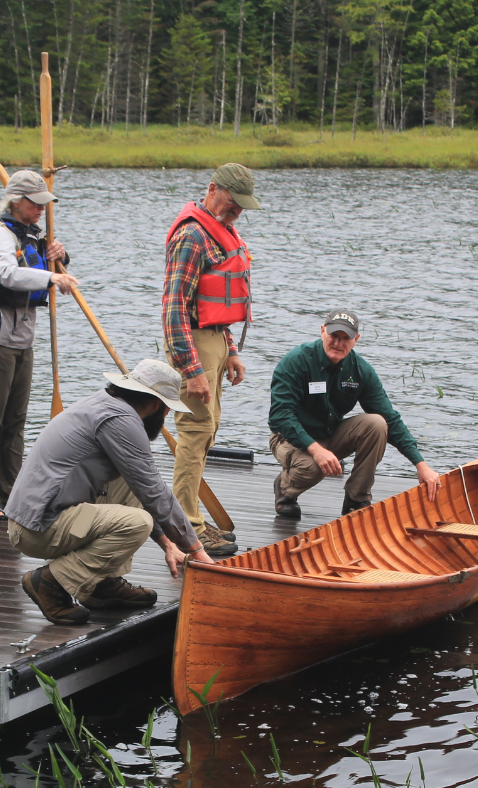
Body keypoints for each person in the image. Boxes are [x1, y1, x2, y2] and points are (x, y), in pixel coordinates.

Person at [6, 359, 215, 625]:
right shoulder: (121, 420)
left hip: (41, 517)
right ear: (157, 405)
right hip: (38, 527)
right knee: (138, 523)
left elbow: (144, 487)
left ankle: (100, 585)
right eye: (166, 412)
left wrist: (169, 545)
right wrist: (197, 551)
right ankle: (50, 582)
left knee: (128, 481)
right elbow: (155, 493)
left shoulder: (105, 403)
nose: (163, 421)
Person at [0, 170, 78, 523]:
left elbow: (35, 267)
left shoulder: (32, 235)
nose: (42, 211)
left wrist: (58, 257)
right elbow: (8, 274)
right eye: (36, 204)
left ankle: (11, 489)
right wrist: (52, 276)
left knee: (15, 420)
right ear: (17, 202)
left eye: (45, 204)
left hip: (23, 339)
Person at [162, 163, 260, 557]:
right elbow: (174, 309)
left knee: (209, 428)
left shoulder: (222, 233)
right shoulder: (191, 236)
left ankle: (192, 519)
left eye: (241, 208)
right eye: (232, 204)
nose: (236, 213)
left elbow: (217, 303)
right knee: (195, 431)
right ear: (213, 189)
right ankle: (187, 527)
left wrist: (231, 351)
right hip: (194, 345)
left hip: (215, 340)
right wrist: (192, 370)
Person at [269, 309, 441, 518]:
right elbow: (280, 416)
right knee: (313, 467)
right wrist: (315, 450)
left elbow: (390, 418)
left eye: (345, 338)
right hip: (289, 438)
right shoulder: (296, 361)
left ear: (356, 339)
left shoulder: (360, 370)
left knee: (377, 424)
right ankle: (285, 488)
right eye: (334, 336)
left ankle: (356, 500)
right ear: (322, 331)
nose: (338, 344)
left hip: (329, 433)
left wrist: (421, 465)